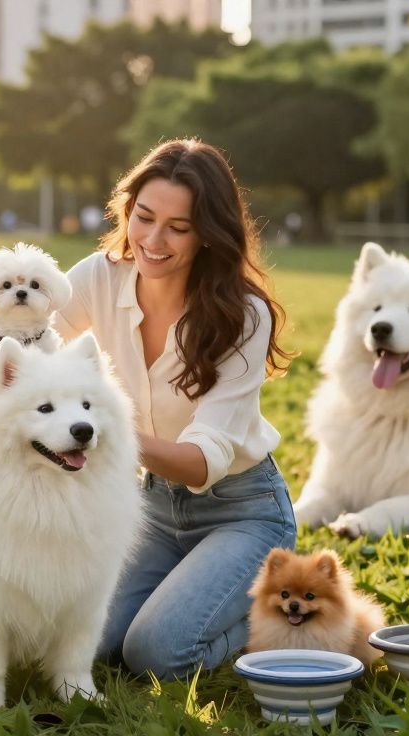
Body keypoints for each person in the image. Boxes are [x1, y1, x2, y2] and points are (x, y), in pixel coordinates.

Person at [53, 138, 297, 680]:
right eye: (143, 218)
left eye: (177, 228)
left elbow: (201, 461)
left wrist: (103, 431)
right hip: (153, 510)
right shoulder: (100, 275)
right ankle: (190, 596)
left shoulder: (244, 316)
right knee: (87, 645)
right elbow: (28, 344)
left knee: (156, 655)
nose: (152, 241)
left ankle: (272, 621)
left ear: (208, 234)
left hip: (243, 510)